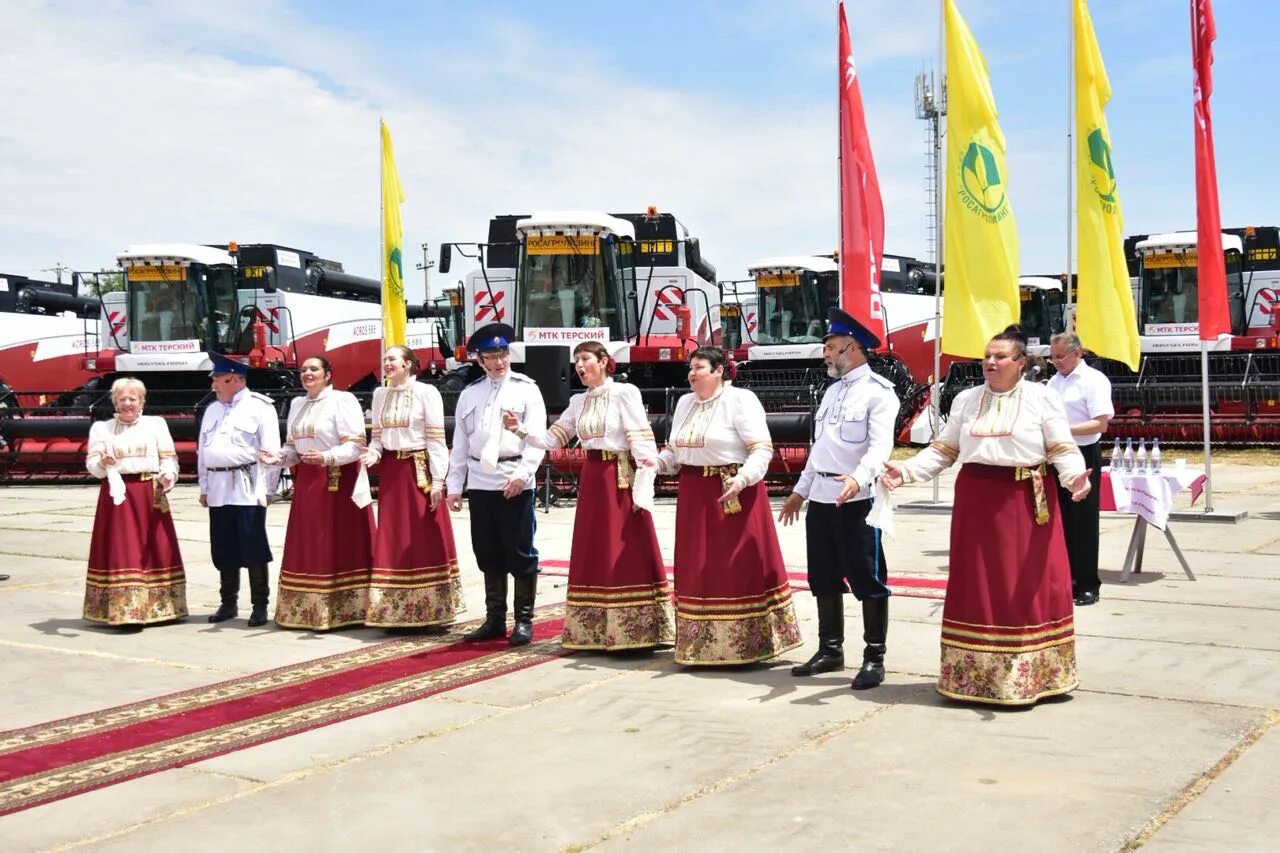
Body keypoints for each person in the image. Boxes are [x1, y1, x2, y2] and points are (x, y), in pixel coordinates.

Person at [881, 326, 1092, 706]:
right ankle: (972, 679)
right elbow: (944, 449)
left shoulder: (1042, 398)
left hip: (1025, 502)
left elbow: (1061, 447)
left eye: (999, 357)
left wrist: (1074, 477)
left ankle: (1033, 677)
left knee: (1023, 587)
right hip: (977, 501)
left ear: (1021, 363)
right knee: (977, 584)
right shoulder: (965, 399)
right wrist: (906, 471)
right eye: (986, 357)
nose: (990, 363)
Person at [502, 340, 672, 651]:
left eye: (585, 359)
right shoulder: (579, 402)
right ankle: (593, 630)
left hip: (618, 476)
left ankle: (635, 630)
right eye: (576, 360)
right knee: (593, 547)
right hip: (593, 477)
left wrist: (643, 485)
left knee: (623, 545)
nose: (579, 366)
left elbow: (641, 440)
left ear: (604, 361)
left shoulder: (625, 393)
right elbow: (554, 438)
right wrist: (519, 430)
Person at [655, 345, 802, 666]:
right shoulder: (684, 403)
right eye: (691, 368)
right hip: (694, 494)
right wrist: (654, 463)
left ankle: (747, 645)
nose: (692, 373)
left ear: (719, 370)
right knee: (697, 565)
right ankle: (700, 646)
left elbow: (761, 449)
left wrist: (744, 479)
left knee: (735, 567)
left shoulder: (740, 400)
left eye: (699, 367)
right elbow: (675, 452)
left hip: (733, 493)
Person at [778, 309, 897, 688]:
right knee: (823, 576)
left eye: (831, 347)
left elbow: (880, 448)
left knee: (868, 577)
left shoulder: (879, 392)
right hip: (823, 498)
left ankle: (874, 656)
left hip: (858, 498)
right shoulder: (831, 391)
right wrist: (800, 491)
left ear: (853, 347)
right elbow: (820, 450)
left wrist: (858, 479)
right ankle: (831, 649)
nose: (825, 353)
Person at [446, 323, 547, 646]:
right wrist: (454, 486)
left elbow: (537, 439)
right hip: (480, 480)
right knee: (487, 551)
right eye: (492, 356)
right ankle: (494, 619)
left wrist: (523, 475)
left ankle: (524, 620)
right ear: (480, 360)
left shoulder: (526, 389)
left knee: (519, 551)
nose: (499, 362)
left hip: (512, 475)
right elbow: (461, 443)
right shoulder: (469, 393)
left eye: (503, 354)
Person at [259, 356, 375, 630]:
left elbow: (356, 445)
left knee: (335, 543)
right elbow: (293, 449)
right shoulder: (299, 404)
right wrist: (277, 458)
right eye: (303, 370)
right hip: (308, 484)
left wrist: (327, 457)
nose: (308, 374)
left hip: (337, 481)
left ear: (328, 374)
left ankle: (345, 610)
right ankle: (305, 610)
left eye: (314, 369)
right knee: (309, 543)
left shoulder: (342, 401)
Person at [363, 345, 463, 628]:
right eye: (384, 359)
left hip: (418, 470)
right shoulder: (380, 395)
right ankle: (393, 611)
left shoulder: (426, 393)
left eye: (392, 359)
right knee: (393, 537)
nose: (387, 363)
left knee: (423, 537)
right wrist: (374, 453)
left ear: (408, 364)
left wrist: (438, 481)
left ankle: (433, 611)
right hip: (393, 474)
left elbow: (435, 440)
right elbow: (377, 438)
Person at [84, 377, 186, 627]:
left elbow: (168, 458)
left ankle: (161, 607)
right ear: (115, 402)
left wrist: (168, 475)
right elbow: (92, 467)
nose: (128, 403)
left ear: (142, 401)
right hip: (117, 496)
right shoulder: (101, 429)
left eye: (133, 399)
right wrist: (103, 463)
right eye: (122, 399)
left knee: (154, 547)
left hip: (149, 492)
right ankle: (126, 611)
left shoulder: (156, 424)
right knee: (123, 549)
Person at [198, 353, 281, 627]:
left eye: (218, 380)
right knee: (223, 547)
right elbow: (203, 452)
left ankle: (260, 605)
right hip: (219, 486)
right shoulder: (212, 409)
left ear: (234, 378)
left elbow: (271, 450)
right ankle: (228, 602)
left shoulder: (260, 407)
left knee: (253, 546)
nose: (213, 385)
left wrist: (268, 489)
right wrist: (204, 486)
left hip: (247, 485)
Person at [1048, 332, 1113, 606]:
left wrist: (1064, 430)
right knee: (1060, 520)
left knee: (1083, 520)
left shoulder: (1093, 381)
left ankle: (1088, 583)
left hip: (1082, 452)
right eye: (1052, 357)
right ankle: (1067, 579)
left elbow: (1100, 424)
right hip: (1055, 454)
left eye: (1060, 356)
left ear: (1079, 353)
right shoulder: (1052, 383)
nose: (1056, 362)